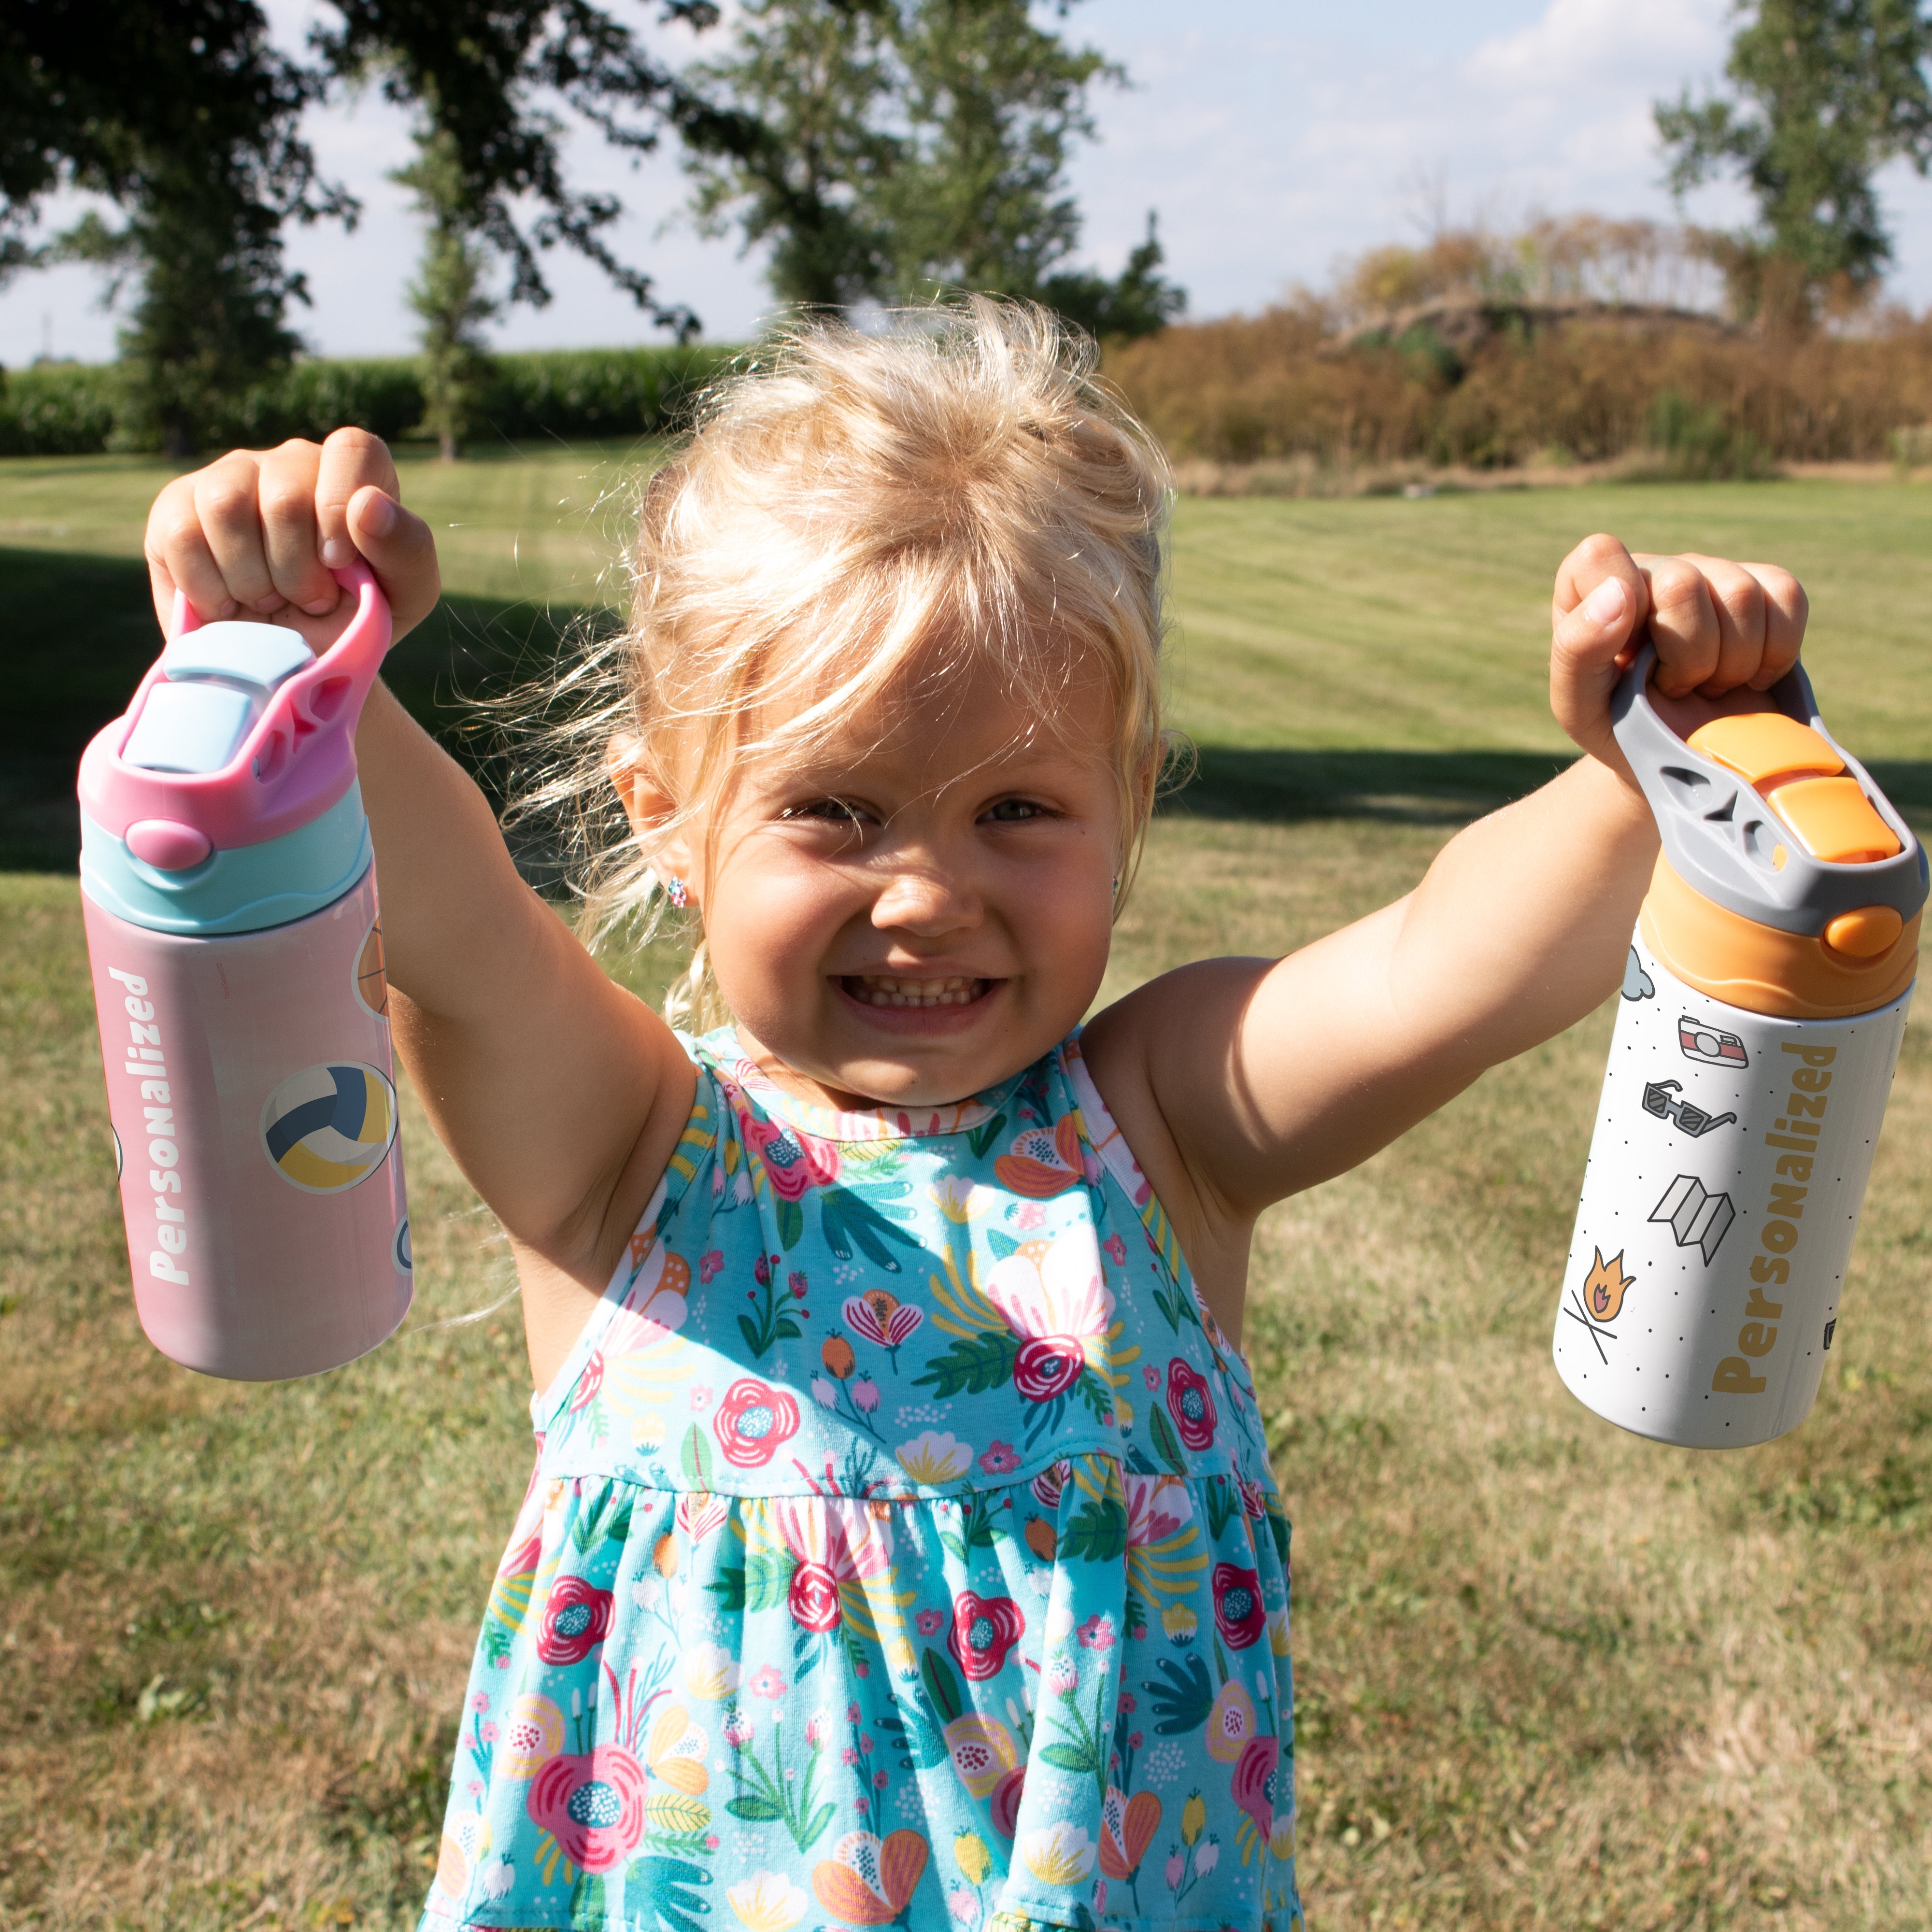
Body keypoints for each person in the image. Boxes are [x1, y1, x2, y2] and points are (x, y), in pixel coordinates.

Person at [140, 300, 1805, 1932]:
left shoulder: (1163, 1133)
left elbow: (1454, 966)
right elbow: (458, 932)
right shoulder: (629, 1154)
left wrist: (1646, 765)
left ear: (1130, 801)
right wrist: (300, 677)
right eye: (834, 811)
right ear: (669, 818)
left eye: (1019, 809)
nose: (927, 894)